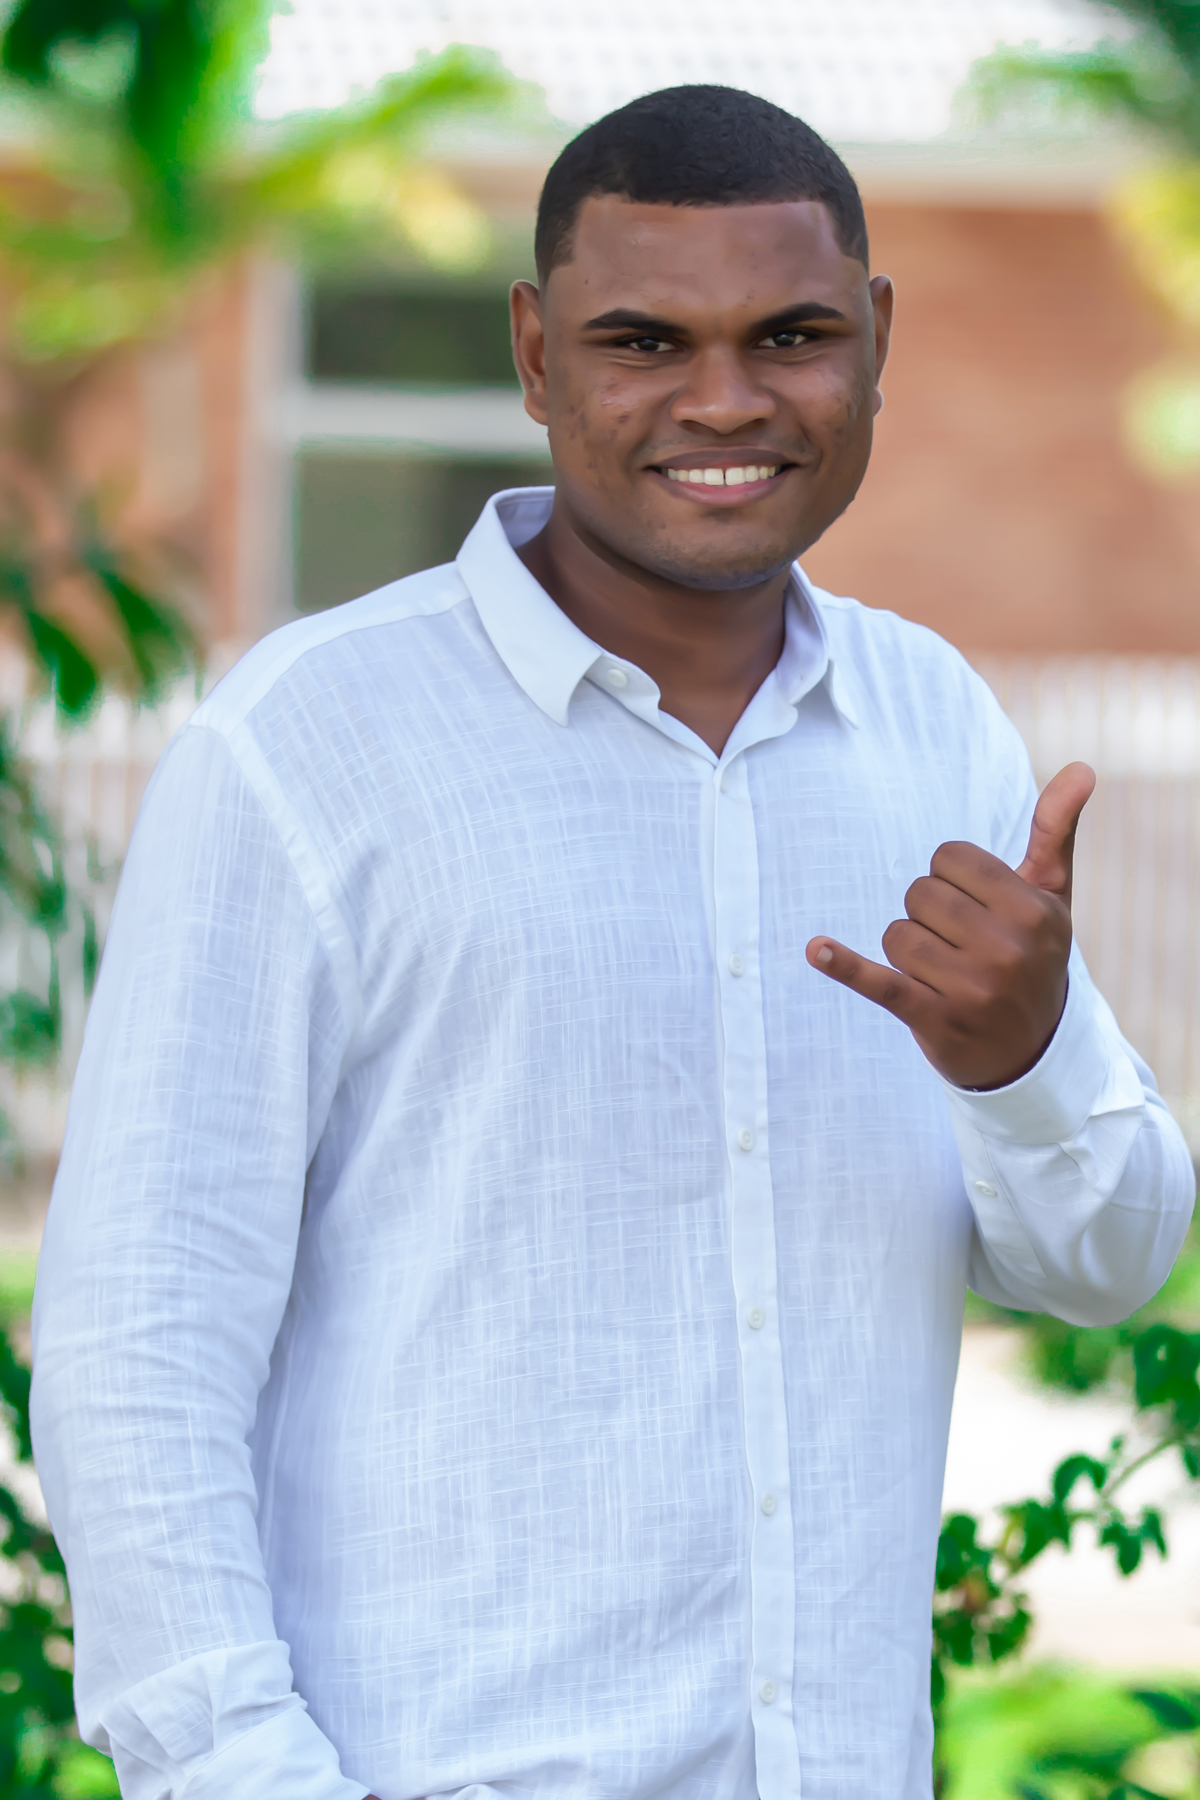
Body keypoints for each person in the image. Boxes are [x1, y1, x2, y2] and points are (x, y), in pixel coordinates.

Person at [30, 83, 1193, 1800]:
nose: (723, 402)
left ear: (875, 340)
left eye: (792, 335)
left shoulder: (935, 730)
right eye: (644, 340)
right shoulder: (308, 749)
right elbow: (140, 1338)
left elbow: (1105, 1268)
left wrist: (1025, 1062)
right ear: (534, 350)